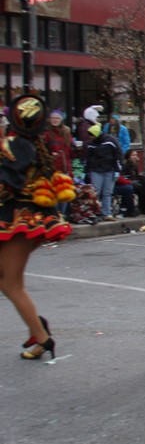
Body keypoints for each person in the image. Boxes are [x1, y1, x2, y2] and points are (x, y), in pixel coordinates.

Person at [1, 95, 74, 360]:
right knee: (8, 281)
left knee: (10, 283)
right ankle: (36, 327)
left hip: (20, 220)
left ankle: (42, 337)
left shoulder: (15, 145)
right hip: (24, 218)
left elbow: (7, 183)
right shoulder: (32, 144)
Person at [84, 122, 121, 221]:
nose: (90, 138)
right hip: (96, 169)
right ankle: (95, 212)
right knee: (95, 192)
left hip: (110, 169)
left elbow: (118, 154)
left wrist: (118, 170)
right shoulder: (91, 144)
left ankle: (106, 213)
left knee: (107, 192)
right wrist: (87, 170)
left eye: (91, 136)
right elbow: (88, 158)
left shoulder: (110, 141)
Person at [42, 110, 74, 217]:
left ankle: (62, 215)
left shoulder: (66, 133)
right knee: (54, 193)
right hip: (53, 168)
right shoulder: (47, 134)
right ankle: (55, 215)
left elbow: (70, 152)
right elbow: (43, 151)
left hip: (64, 167)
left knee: (64, 193)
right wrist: (51, 156)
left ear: (61, 120)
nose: (55, 120)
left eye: (57, 118)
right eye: (53, 118)